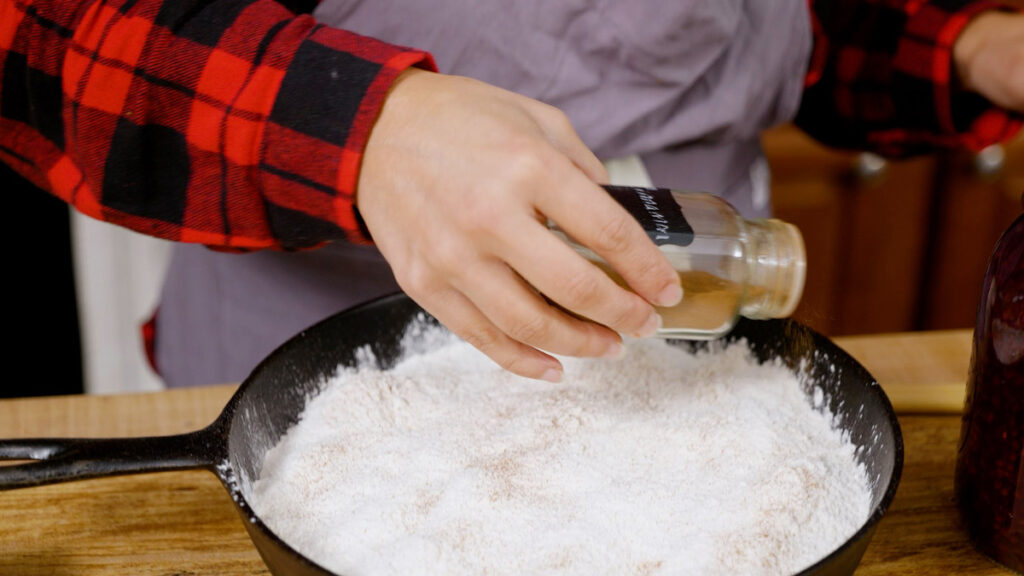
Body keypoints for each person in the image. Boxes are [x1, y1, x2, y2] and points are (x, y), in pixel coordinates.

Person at [1, 0, 1022, 387]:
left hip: (682, 356)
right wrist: (367, 131)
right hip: (330, 365)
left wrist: (970, 47)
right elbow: (39, 35)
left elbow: (779, 32)